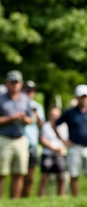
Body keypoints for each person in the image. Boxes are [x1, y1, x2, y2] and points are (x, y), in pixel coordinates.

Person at [58, 85, 87, 197]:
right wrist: (63, 140)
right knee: (74, 175)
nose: (84, 99)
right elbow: (55, 124)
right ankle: (76, 200)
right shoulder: (70, 113)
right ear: (77, 97)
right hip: (75, 147)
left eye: (86, 97)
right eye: (81, 97)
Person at [0, 70, 35, 198]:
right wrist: (12, 117)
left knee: (19, 172)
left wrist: (25, 119)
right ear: (7, 84)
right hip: (3, 139)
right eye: (12, 82)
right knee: (1, 173)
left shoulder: (25, 99)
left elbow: (31, 119)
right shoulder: (1, 98)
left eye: (17, 82)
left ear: (21, 84)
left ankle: (15, 202)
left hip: (20, 139)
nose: (15, 85)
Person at [19, 80, 46, 197]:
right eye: (27, 90)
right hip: (21, 141)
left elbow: (42, 125)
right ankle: (16, 199)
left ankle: (26, 198)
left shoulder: (38, 106)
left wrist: (36, 116)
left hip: (33, 144)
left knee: (30, 176)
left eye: (32, 90)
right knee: (19, 174)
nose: (29, 92)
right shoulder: (19, 104)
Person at [38, 106, 69, 196]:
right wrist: (54, 148)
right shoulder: (46, 126)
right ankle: (41, 197)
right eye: (53, 115)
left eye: (57, 115)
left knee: (61, 178)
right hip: (47, 154)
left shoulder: (64, 126)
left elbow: (66, 140)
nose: (55, 117)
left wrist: (61, 147)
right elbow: (42, 139)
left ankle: (61, 197)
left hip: (60, 154)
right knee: (44, 178)